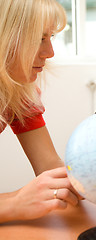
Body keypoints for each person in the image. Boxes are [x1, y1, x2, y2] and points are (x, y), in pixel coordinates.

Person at [0, 0, 81, 223]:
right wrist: (13, 204)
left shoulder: (19, 91)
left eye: (50, 37)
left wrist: (89, 180)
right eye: (39, 38)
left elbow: (48, 166)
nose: (50, 52)